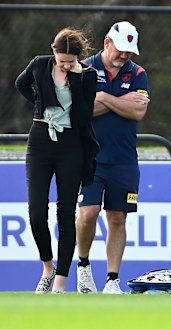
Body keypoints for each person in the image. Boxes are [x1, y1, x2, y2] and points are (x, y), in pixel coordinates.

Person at [15, 27, 99, 293]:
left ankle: (61, 280)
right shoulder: (40, 65)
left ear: (78, 58)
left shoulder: (88, 75)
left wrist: (77, 79)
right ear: (53, 52)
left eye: (70, 62)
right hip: (40, 139)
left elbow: (85, 115)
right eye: (61, 60)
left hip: (71, 144)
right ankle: (47, 267)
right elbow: (21, 84)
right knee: (37, 212)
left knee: (66, 213)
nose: (64, 65)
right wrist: (39, 102)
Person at [75, 21, 150, 294]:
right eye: (120, 50)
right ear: (107, 43)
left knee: (117, 217)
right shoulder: (83, 68)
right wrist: (117, 99)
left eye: (129, 52)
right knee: (88, 213)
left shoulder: (138, 73)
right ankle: (83, 267)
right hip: (90, 157)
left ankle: (112, 280)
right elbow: (78, 112)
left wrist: (102, 99)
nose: (124, 56)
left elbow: (138, 112)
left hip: (124, 159)